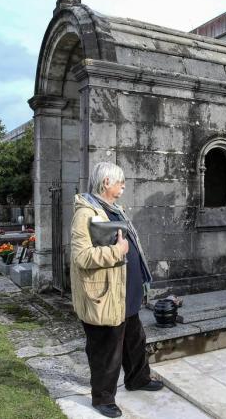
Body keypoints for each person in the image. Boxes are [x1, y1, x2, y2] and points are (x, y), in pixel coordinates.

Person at [70, 162, 163, 418]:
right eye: (119, 181)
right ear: (106, 183)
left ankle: (138, 379)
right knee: (106, 349)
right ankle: (102, 398)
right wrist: (117, 251)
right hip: (105, 294)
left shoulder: (114, 210)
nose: (123, 185)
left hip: (126, 291)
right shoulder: (86, 213)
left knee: (135, 341)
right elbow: (82, 257)